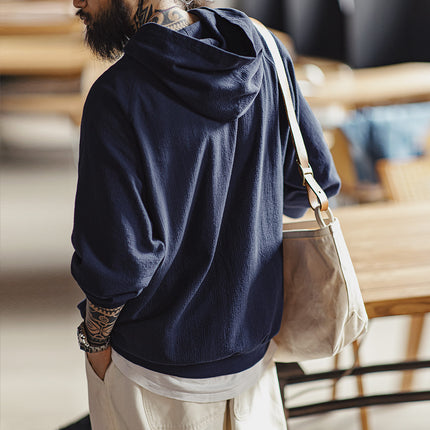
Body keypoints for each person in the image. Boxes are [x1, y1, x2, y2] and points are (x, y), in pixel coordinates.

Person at [71, 0, 341, 429]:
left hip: (156, 369)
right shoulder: (264, 52)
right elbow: (310, 187)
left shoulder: (116, 96)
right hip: (253, 355)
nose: (76, 2)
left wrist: (95, 340)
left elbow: (118, 262)